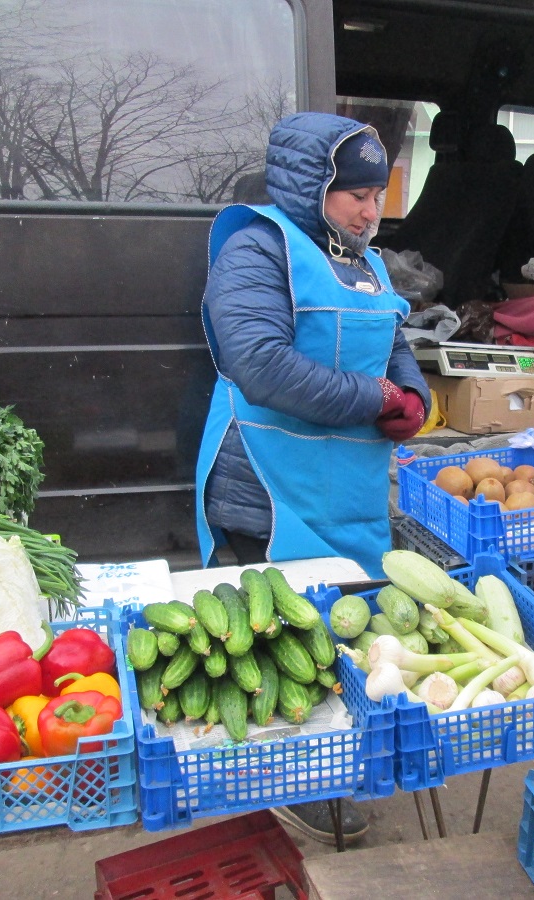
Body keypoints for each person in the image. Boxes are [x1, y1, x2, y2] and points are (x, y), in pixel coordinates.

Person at [194, 112, 431, 843]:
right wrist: (376, 400)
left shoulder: (368, 260)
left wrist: (411, 391)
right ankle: (288, 785)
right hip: (268, 486)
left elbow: (389, 341)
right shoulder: (257, 247)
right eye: (353, 194)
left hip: (345, 485)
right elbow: (258, 364)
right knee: (280, 648)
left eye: (378, 193)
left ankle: (328, 765)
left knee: (337, 638)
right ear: (309, 188)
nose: (370, 210)